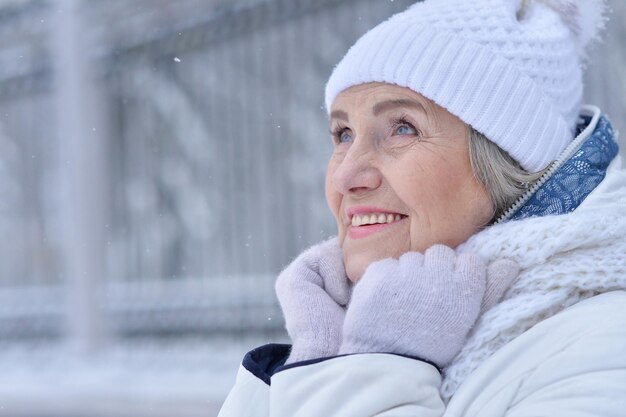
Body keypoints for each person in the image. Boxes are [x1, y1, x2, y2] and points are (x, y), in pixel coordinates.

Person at [218, 0, 626, 415]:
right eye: (343, 134)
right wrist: (322, 355)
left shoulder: (602, 350)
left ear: (507, 163)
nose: (345, 177)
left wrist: (373, 366)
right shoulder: (347, 328)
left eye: (402, 128)